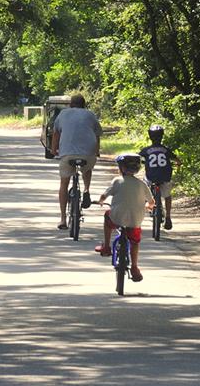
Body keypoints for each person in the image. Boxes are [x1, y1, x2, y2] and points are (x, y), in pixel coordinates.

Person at [94, 153, 153, 282]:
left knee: (107, 216)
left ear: (121, 168)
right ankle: (135, 267)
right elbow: (151, 202)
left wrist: (101, 201)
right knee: (135, 242)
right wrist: (149, 206)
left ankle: (107, 247)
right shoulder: (142, 184)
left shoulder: (117, 181)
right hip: (135, 220)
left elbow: (104, 195)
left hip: (116, 218)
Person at [50, 93, 102, 230]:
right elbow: (97, 135)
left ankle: (63, 219)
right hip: (88, 154)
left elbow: (56, 133)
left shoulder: (63, 114)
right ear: (84, 104)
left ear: (70, 105)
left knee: (64, 183)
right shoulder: (90, 115)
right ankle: (86, 190)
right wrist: (96, 151)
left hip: (67, 154)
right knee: (87, 168)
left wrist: (53, 150)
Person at [138, 124, 179, 230]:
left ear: (150, 136)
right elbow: (177, 160)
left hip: (151, 177)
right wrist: (178, 163)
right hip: (165, 176)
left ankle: (148, 202)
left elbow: (138, 158)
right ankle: (168, 216)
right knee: (167, 195)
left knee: (145, 183)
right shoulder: (165, 150)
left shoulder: (146, 150)